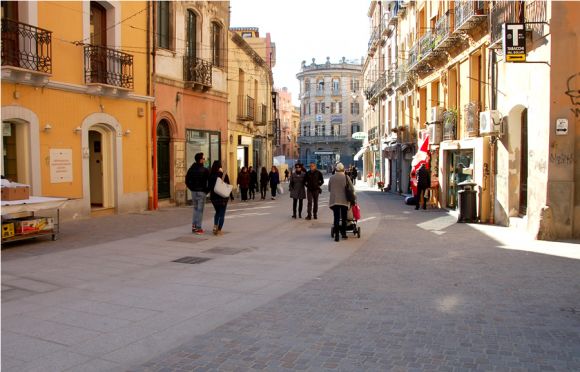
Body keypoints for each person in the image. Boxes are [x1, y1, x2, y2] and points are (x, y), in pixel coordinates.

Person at [328, 162, 354, 242]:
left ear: (336, 169)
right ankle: (343, 234)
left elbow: (329, 189)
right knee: (344, 218)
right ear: (343, 169)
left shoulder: (332, 177)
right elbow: (352, 188)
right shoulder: (346, 177)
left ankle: (336, 235)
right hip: (344, 200)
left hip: (334, 200)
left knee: (336, 217)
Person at [185, 152, 209, 234]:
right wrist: (206, 191)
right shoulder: (205, 170)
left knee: (195, 209)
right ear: (200, 160)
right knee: (200, 210)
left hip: (194, 192)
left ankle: (194, 226)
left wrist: (191, 188)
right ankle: (198, 227)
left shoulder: (191, 169)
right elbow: (209, 181)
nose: (204, 160)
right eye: (203, 158)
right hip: (201, 192)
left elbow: (187, 181)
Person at [208, 160, 230, 235]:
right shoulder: (223, 174)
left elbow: (209, 186)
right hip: (222, 197)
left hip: (213, 197)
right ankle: (219, 230)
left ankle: (215, 227)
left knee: (217, 212)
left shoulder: (210, 175)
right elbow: (228, 185)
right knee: (222, 213)